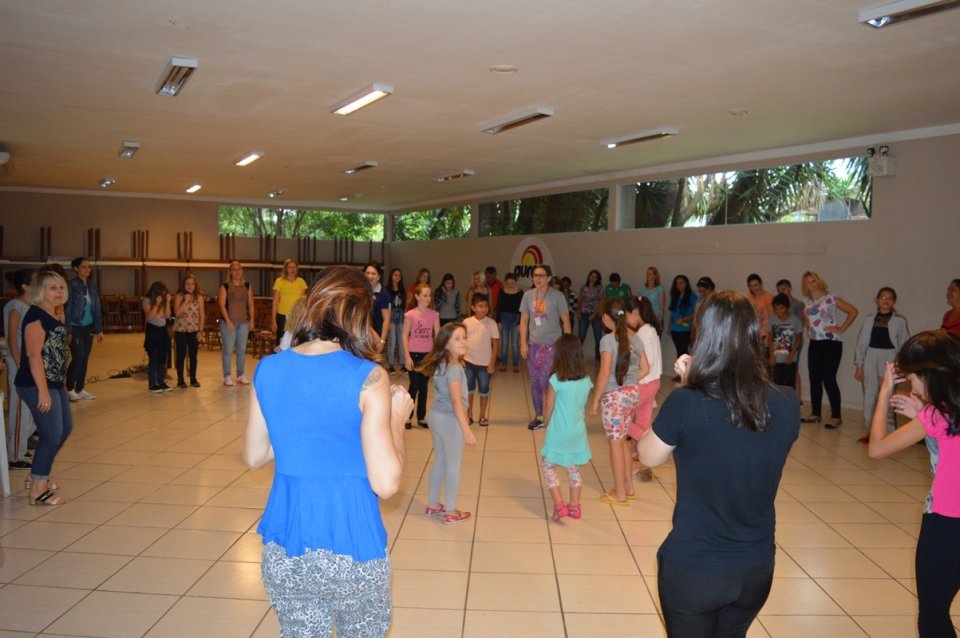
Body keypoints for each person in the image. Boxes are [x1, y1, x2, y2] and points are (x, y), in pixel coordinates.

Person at [244, 264, 410, 638]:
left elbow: (255, 455)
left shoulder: (268, 369)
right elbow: (386, 483)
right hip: (352, 547)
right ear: (357, 314)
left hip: (287, 547)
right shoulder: (369, 377)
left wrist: (301, 427)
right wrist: (397, 419)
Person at [637, 291, 800, 637]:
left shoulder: (686, 401)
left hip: (696, 568)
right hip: (755, 567)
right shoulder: (788, 402)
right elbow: (739, 440)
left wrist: (689, 386)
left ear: (704, 336)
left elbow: (648, 455)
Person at [867, 331, 960, 638]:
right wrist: (922, 412)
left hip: (947, 526)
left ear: (928, 375)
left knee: (933, 615)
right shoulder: (938, 414)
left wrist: (885, 392)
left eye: (913, 379)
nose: (912, 386)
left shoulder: (936, 416)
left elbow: (877, 448)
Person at [16, 270, 75, 506]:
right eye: (52, 288)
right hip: (35, 383)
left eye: (61, 287)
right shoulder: (36, 316)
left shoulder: (54, 313)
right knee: (51, 433)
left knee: (65, 429)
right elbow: (33, 356)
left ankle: (36, 474)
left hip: (54, 382)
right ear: (40, 291)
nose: (59, 292)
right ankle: (38, 489)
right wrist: (42, 391)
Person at [590, 296, 649, 505]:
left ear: (607, 318)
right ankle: (628, 488)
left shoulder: (607, 340)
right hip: (631, 395)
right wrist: (628, 382)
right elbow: (645, 369)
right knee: (623, 442)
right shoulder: (636, 338)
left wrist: (595, 400)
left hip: (614, 398)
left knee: (615, 445)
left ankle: (620, 495)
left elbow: (605, 372)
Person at [419, 322, 476, 525]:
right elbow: (456, 401)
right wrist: (466, 429)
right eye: (457, 339)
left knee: (440, 463)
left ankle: (433, 504)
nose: (463, 342)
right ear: (446, 344)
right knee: (453, 467)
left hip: (436, 417)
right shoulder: (454, 369)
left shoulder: (441, 364)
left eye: (464, 337)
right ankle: (451, 511)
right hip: (450, 421)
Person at [541, 333, 593, 522]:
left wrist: (546, 421)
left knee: (548, 466)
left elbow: (549, 406)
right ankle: (575, 506)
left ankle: (559, 506)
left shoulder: (556, 380)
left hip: (558, 431)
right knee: (574, 469)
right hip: (577, 432)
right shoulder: (586, 380)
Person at [800, 271, 859, 429]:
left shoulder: (831, 297)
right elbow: (806, 317)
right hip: (815, 343)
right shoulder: (806, 300)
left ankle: (836, 416)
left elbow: (853, 311)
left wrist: (841, 328)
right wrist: (809, 327)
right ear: (805, 285)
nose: (812, 284)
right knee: (815, 378)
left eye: (814, 280)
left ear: (819, 281)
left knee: (829, 378)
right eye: (808, 282)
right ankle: (816, 413)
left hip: (831, 342)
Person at [853, 287, 909, 444]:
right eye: (883, 297)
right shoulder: (868, 320)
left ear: (894, 302)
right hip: (871, 356)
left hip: (890, 357)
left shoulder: (900, 321)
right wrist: (859, 365)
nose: (886, 300)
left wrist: (901, 364)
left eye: (889, 298)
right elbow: (861, 343)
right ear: (877, 300)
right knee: (870, 396)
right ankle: (871, 433)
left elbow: (905, 343)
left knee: (888, 396)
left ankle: (888, 434)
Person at [520, 265, 571, 430]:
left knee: (545, 380)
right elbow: (524, 321)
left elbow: (566, 321)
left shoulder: (558, 296)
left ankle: (554, 414)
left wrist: (567, 346)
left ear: (549, 278)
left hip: (553, 345)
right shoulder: (528, 295)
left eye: (541, 275)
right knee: (535, 382)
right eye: (535, 275)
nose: (537, 278)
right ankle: (540, 416)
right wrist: (523, 343)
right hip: (533, 345)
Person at [4, 269, 36, 470]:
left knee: (31, 410)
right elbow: (11, 339)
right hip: (19, 365)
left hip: (29, 363)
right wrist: (19, 365)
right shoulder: (15, 306)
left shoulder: (30, 305)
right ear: (25, 286)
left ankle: (20, 445)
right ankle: (15, 456)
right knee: (20, 410)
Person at [630, 295, 662, 482]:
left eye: (628, 314)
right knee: (642, 421)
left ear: (636, 312)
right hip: (652, 382)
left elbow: (647, 362)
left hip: (644, 383)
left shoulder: (643, 333)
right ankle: (643, 461)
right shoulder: (650, 329)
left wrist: (628, 379)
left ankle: (651, 445)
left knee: (619, 419)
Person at [64, 257, 103, 401]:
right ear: (76, 269)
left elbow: (97, 307)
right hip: (75, 326)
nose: (88, 269)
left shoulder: (92, 286)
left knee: (85, 358)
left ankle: (80, 389)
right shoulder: (71, 285)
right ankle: (69, 389)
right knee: (78, 356)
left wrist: (99, 329)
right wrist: (68, 330)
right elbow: (67, 309)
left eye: (89, 267)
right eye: (84, 267)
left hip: (89, 327)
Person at [403, 283, 440, 429]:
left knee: (424, 386)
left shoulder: (434, 315)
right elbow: (404, 336)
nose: (428, 298)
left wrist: (436, 354)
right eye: (424, 295)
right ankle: (407, 416)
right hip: (413, 354)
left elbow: (438, 335)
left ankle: (421, 417)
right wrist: (407, 357)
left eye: (429, 295)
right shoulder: (410, 315)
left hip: (428, 355)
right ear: (417, 296)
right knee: (414, 385)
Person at [219, 260, 257, 386]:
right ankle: (227, 376)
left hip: (243, 322)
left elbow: (251, 303)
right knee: (228, 350)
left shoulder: (247, 286)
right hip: (228, 323)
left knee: (241, 350)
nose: (237, 271)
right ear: (230, 272)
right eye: (234, 269)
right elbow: (221, 305)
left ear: (242, 271)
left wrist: (252, 320)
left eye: (239, 269)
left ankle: (240, 375)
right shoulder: (225, 286)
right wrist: (228, 321)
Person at [463, 295, 499, 427]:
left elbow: (495, 344)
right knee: (468, 389)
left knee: (484, 389)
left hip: (485, 364)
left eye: (486, 306)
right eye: (480, 306)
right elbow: (462, 341)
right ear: (473, 308)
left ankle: (482, 415)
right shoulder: (466, 322)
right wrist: (461, 358)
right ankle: (469, 415)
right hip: (468, 362)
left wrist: (492, 363)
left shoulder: (491, 323)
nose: (484, 309)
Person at [173, 273, 205, 388]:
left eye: (192, 284)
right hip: (180, 330)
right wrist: (186, 301)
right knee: (181, 355)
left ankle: (193, 378)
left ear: (195, 285)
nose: (190, 286)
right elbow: (177, 314)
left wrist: (201, 331)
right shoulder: (179, 296)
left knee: (193, 356)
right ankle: (180, 379)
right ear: (183, 284)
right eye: (187, 284)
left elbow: (202, 314)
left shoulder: (199, 297)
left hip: (194, 330)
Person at [776, 278, 806, 398]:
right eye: (779, 291)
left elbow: (800, 324)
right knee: (782, 371)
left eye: (783, 289)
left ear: (790, 288)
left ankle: (797, 399)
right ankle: (785, 398)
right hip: (782, 341)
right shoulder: (779, 305)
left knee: (794, 371)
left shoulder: (797, 304)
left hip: (794, 343)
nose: (781, 292)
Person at [767, 293, 804, 388]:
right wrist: (772, 355)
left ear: (787, 307)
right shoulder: (772, 319)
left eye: (781, 308)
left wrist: (791, 355)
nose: (778, 311)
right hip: (776, 359)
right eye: (776, 309)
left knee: (790, 384)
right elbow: (770, 339)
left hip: (790, 359)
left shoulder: (795, 319)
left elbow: (799, 339)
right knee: (777, 385)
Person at [143, 281, 173, 394]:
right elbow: (150, 317)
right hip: (152, 331)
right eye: (162, 293)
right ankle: (152, 384)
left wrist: (168, 302)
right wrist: (156, 304)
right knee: (154, 358)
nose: (164, 295)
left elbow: (168, 316)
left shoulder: (163, 301)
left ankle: (161, 381)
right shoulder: (147, 300)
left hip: (162, 331)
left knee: (162, 358)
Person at [270, 258, 307, 346]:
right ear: (286, 269)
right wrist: (273, 321)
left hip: (297, 316)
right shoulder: (279, 281)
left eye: (294, 267)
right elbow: (275, 302)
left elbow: (302, 302)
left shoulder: (301, 282)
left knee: (296, 342)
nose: (292, 269)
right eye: (290, 267)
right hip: (282, 316)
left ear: (297, 269)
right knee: (282, 341)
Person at [496, 272, 523, 373]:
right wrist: (498, 321)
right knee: (505, 342)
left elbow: (522, 309)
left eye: (512, 283)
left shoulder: (520, 292)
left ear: (516, 282)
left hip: (516, 318)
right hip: (504, 317)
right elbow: (498, 306)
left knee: (515, 342)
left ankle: (516, 364)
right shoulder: (501, 291)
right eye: (508, 283)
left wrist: (520, 323)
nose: (510, 285)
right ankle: (503, 363)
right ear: (505, 282)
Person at [364, 262, 391, 357]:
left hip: (377, 338)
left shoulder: (384, 294)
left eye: (373, 273)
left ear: (379, 277)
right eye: (367, 273)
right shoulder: (359, 291)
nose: (370, 276)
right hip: (361, 335)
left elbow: (387, 319)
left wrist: (382, 341)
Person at [668, 275, 697, 364]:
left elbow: (696, 313)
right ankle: (680, 370)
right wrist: (669, 327)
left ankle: (686, 370)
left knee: (684, 352)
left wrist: (684, 319)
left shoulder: (692, 297)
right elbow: (672, 314)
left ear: (686, 284)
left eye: (681, 283)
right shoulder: (675, 296)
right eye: (677, 283)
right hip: (674, 329)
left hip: (686, 329)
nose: (679, 285)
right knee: (679, 351)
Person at [577, 269, 604, 361]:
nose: (593, 278)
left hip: (595, 314)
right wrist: (578, 311)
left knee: (598, 337)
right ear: (589, 276)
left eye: (595, 277)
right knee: (581, 336)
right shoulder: (583, 287)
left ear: (597, 279)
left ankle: (598, 357)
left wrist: (594, 314)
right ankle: (577, 356)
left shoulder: (599, 288)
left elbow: (601, 302)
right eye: (592, 276)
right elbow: (580, 300)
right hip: (584, 313)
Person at [385, 268, 407, 373]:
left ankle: (403, 363)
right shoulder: (387, 290)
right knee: (392, 341)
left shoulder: (402, 290)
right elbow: (387, 306)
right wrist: (388, 320)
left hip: (401, 316)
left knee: (401, 341)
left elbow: (404, 305)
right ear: (391, 276)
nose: (397, 277)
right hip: (391, 316)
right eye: (395, 275)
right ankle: (391, 365)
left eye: (399, 275)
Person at [747, 274, 774, 349]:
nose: (754, 288)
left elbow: (772, 316)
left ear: (761, 284)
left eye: (756, 285)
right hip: (754, 332)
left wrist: (769, 335)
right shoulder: (749, 297)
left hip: (766, 332)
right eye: (751, 286)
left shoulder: (768, 296)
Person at [641, 266, 666, 334]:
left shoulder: (660, 288)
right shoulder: (642, 288)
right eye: (647, 274)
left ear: (655, 276)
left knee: (656, 338)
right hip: (644, 318)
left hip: (656, 318)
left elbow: (662, 306)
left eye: (650, 274)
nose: (647, 275)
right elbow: (639, 303)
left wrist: (660, 320)